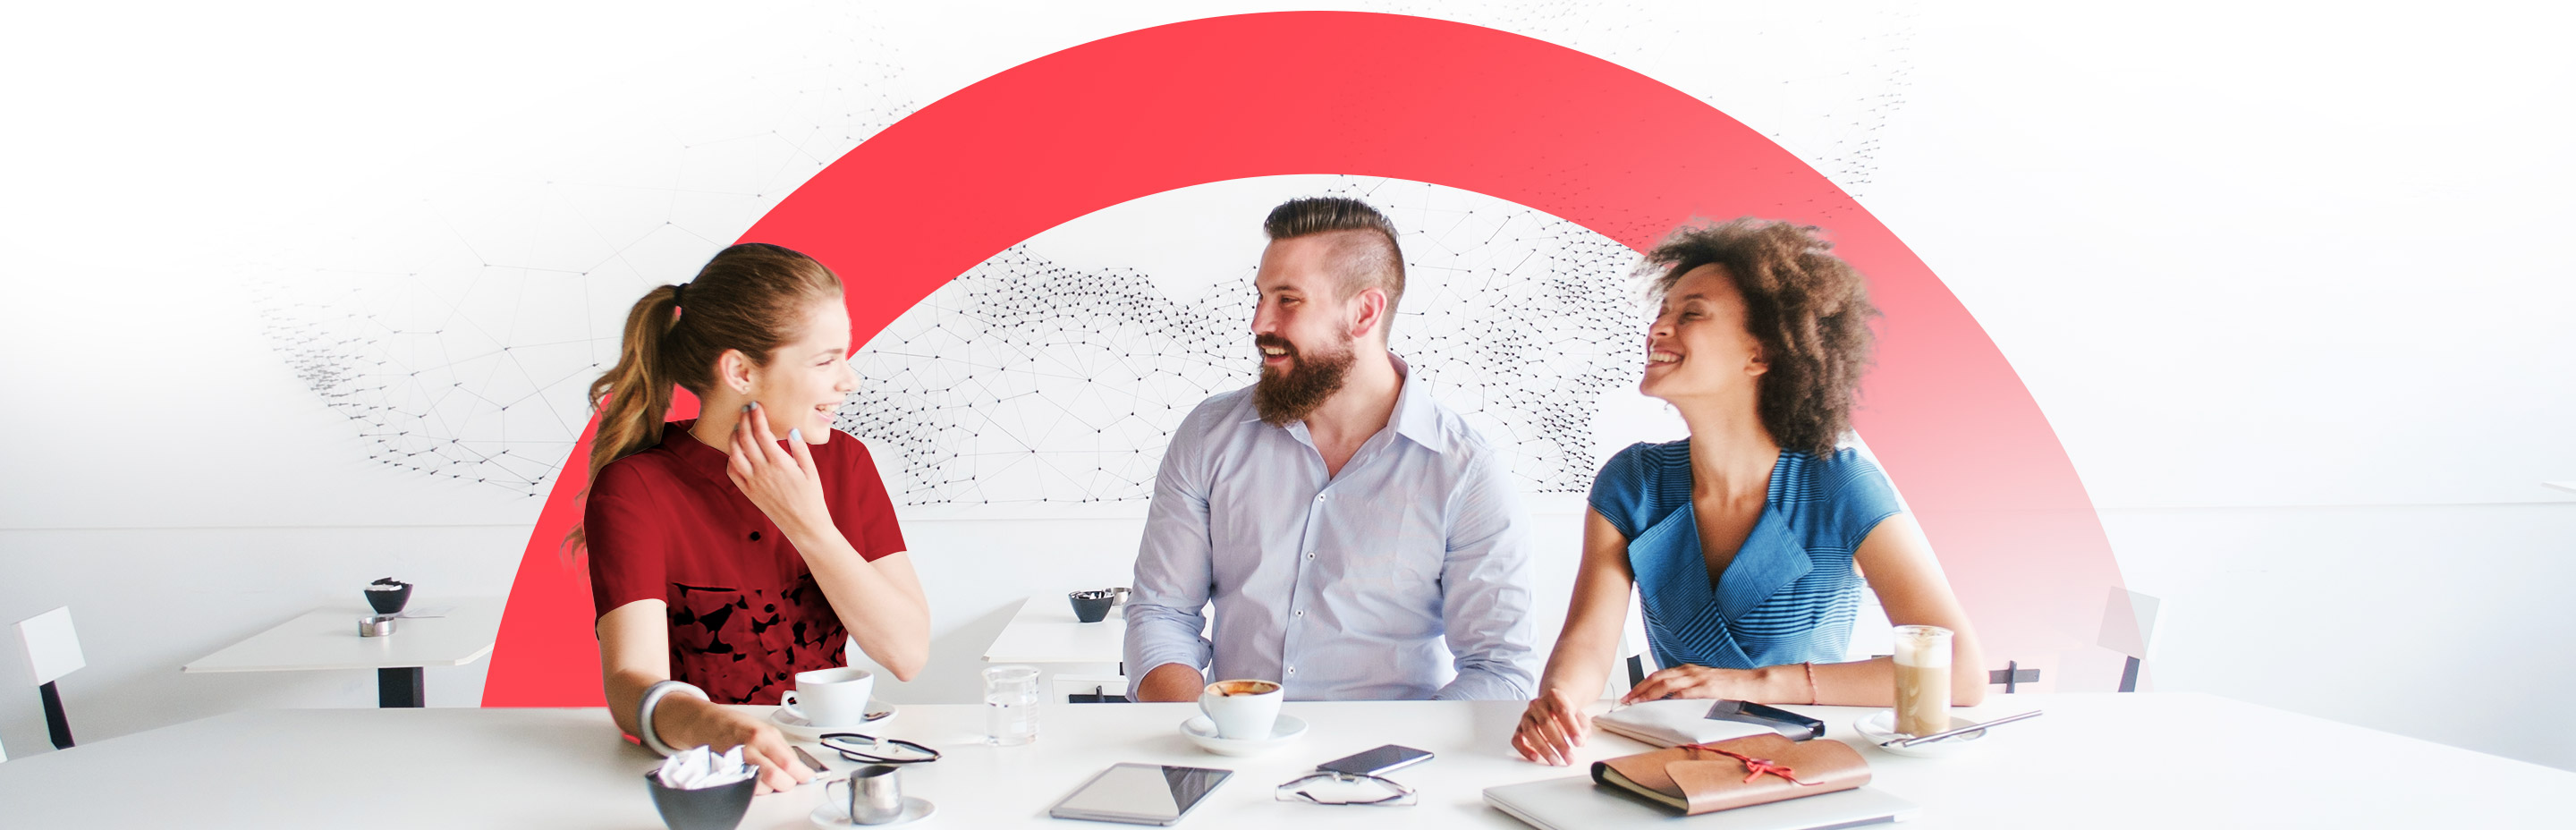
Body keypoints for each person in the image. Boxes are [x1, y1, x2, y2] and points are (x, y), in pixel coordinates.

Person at [1512, 219, 1986, 766]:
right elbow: (1589, 641)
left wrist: (1755, 683)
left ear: (1761, 354)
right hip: (1681, 762)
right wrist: (1562, 701)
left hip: (1806, 765)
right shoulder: (1632, 480)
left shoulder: (1841, 484)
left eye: (1690, 313)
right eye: (1662, 311)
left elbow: (1962, 674)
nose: (1659, 328)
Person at [1123, 197, 1538, 702]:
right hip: (1234, 752)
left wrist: (1391, 758)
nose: (1259, 323)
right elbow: (1162, 613)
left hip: (1396, 770)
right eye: (1259, 297)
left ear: (1364, 312)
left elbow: (1499, 669)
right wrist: (1202, 735)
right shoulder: (1210, 436)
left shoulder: (1464, 469)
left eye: (1287, 300)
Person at [579, 243, 930, 792]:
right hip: (708, 780)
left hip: (836, 771)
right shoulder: (635, 489)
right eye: (825, 360)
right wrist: (719, 728)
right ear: (741, 371)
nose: (849, 379)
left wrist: (808, 524)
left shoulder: (847, 464)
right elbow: (629, 685)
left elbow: (906, 653)